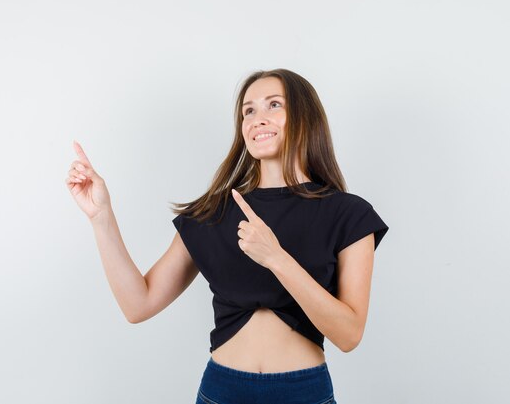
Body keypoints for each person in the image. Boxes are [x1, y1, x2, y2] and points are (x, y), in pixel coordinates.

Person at [65, 68, 389, 404]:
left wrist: (276, 258)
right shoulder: (214, 212)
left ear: (305, 118)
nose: (257, 119)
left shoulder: (348, 214)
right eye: (248, 111)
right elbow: (138, 304)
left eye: (273, 105)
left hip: (304, 393)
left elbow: (349, 334)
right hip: (222, 392)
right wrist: (101, 218)